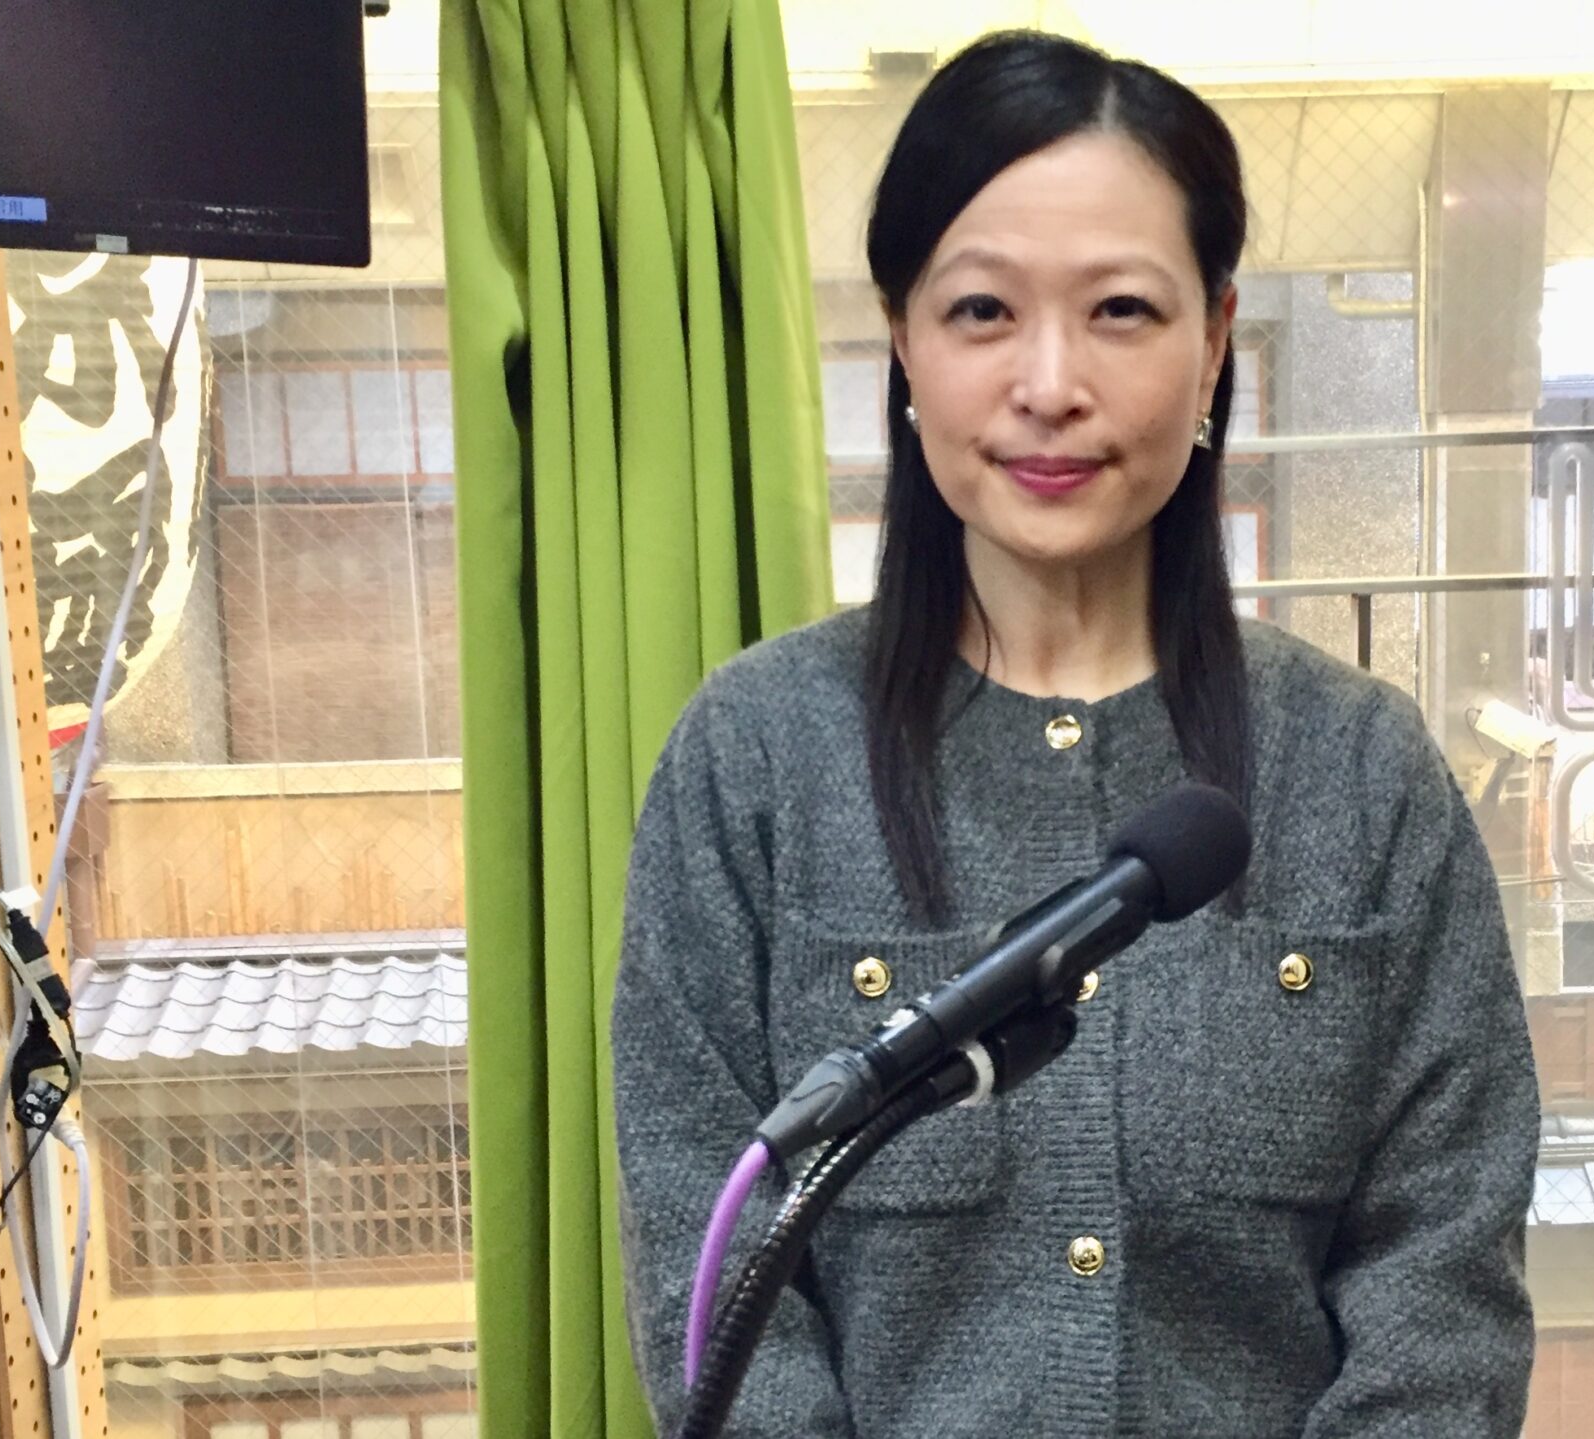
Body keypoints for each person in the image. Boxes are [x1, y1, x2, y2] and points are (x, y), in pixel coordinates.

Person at [611, 28, 1539, 1437]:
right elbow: (715, 1260)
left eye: (1121, 310)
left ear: (1215, 340)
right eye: (983, 310)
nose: (1050, 383)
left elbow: (1443, 1288)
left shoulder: (1362, 773)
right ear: (904, 340)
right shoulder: (753, 764)